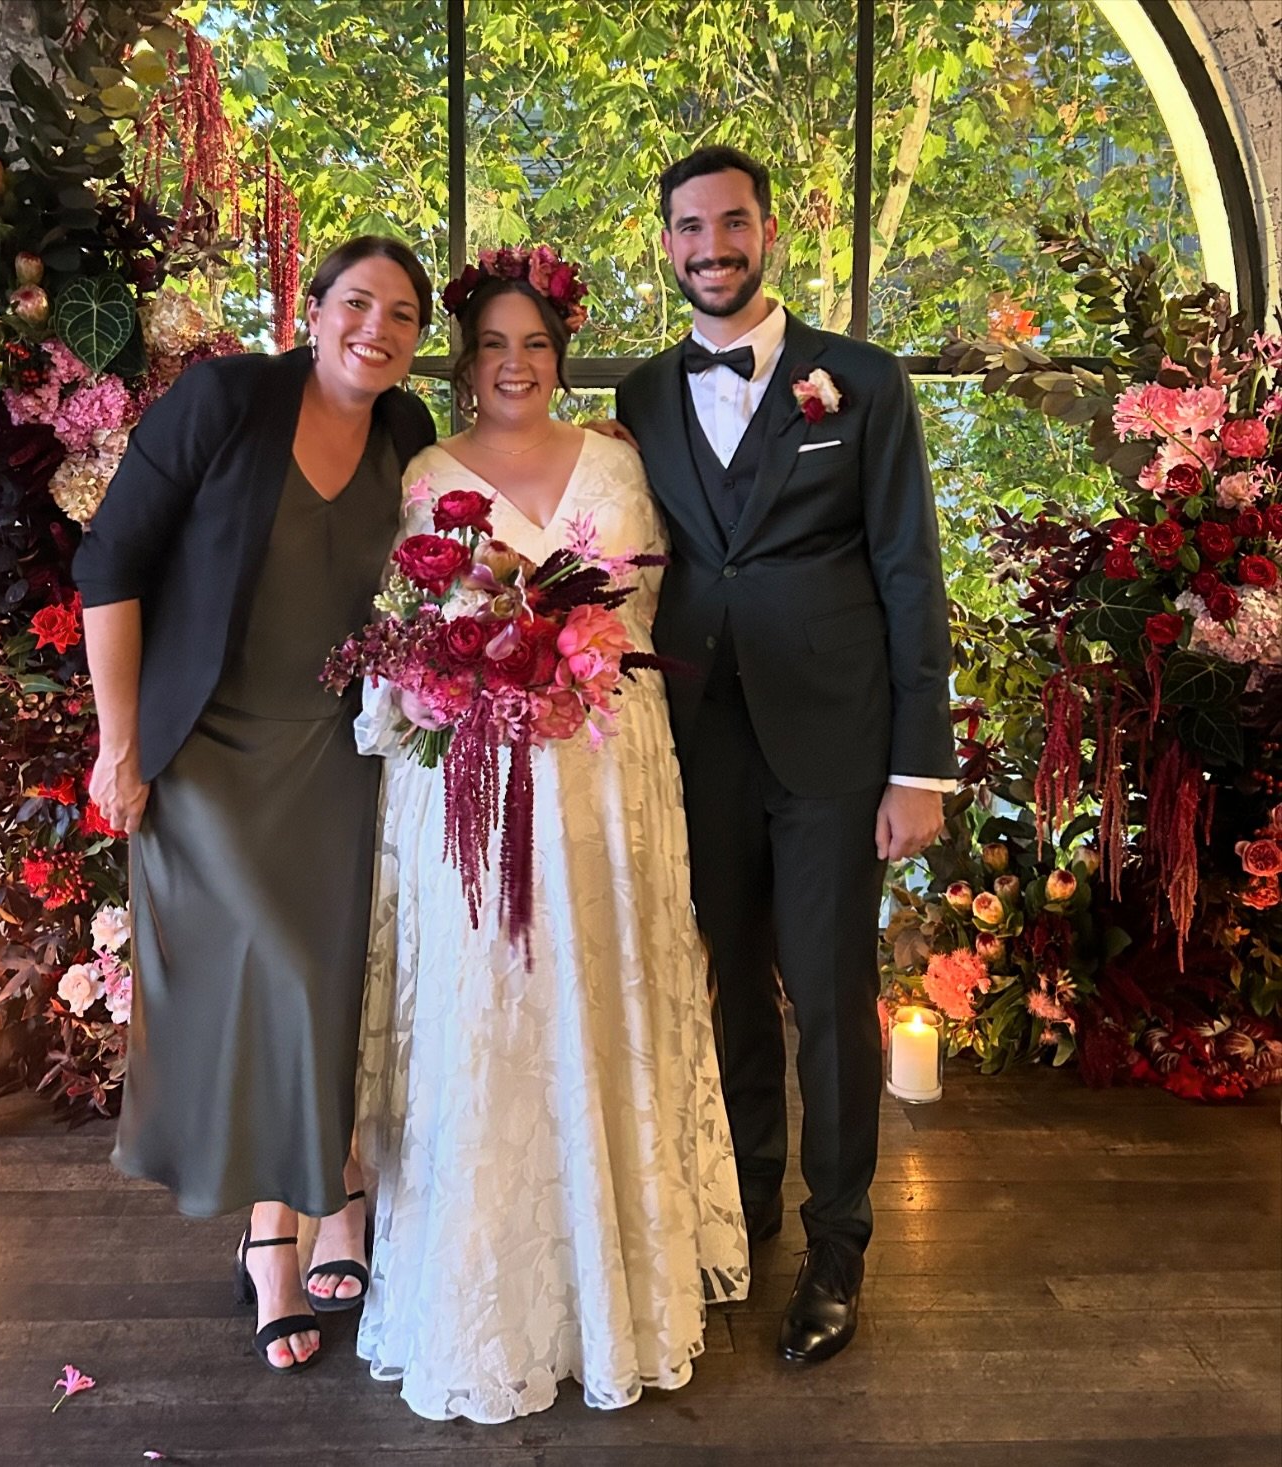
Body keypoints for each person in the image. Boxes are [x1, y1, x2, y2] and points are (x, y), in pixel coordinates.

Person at [351, 248, 749, 1423]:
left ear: (559, 357)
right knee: (490, 1017)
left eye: (534, 345)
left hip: (607, 776)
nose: (513, 365)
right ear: (465, 363)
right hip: (474, 787)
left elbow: (660, 605)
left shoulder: (622, 460)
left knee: (603, 996)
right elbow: (394, 637)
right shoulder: (422, 473)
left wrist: (567, 658)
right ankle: (483, 1293)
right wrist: (461, 671)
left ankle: (619, 1277)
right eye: (491, 347)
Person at [73, 236, 437, 1373]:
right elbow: (110, 560)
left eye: (405, 315)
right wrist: (118, 744)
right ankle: (274, 1232)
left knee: (338, 980)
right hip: (212, 751)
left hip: (346, 752)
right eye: (357, 304)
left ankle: (334, 1199)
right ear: (312, 308)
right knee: (273, 972)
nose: (378, 329)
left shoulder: (409, 433)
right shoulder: (225, 401)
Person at [615, 147, 955, 1365]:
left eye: (733, 222)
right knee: (729, 988)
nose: (713, 245)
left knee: (827, 996)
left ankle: (839, 1245)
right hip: (697, 742)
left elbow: (911, 571)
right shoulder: (648, 395)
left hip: (835, 745)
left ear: (771, 230)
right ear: (667, 244)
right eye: (690, 228)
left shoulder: (861, 382)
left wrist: (920, 766)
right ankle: (745, 1207)